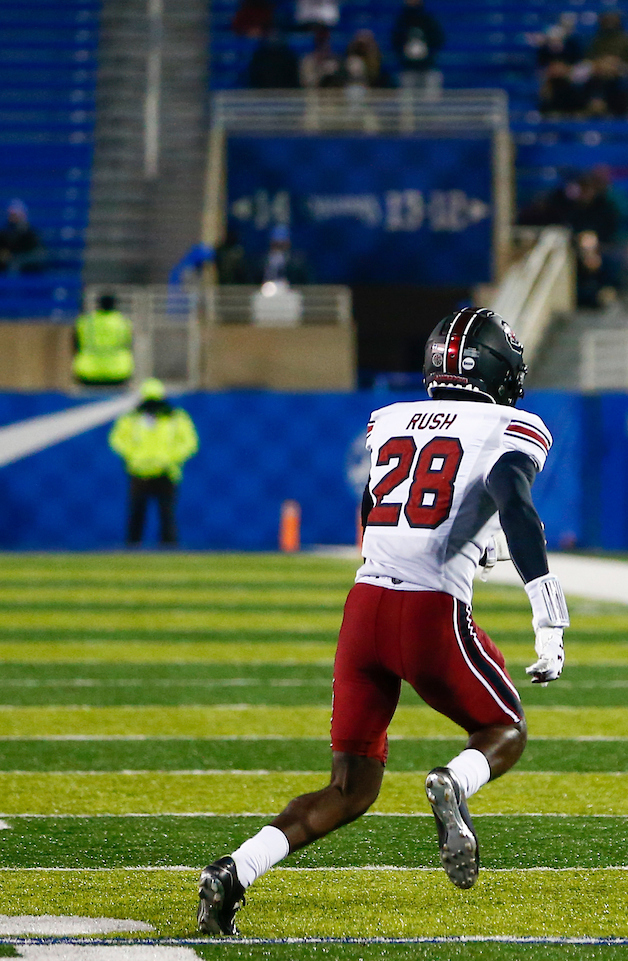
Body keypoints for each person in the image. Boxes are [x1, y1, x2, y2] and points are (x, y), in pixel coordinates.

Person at [197, 308, 570, 935]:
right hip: (428, 614)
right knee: (504, 728)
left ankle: (234, 871)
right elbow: (514, 503)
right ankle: (452, 781)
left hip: (364, 609)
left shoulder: (389, 421)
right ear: (498, 369)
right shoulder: (513, 425)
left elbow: (375, 516)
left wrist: (471, 545)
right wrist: (548, 614)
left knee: (350, 788)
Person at [109, 378, 199, 547]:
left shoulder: (176, 417)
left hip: (167, 472)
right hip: (139, 471)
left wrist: (169, 458)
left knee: (166, 515)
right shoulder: (131, 418)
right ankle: (132, 550)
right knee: (136, 514)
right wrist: (135, 457)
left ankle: (169, 550)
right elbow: (117, 440)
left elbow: (189, 442)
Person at [73, 293, 134, 386]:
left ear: (98, 305)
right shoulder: (123, 322)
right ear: (115, 305)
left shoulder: (85, 322)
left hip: (88, 372)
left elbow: (75, 345)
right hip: (119, 372)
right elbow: (129, 345)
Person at [391, 0, 443, 90]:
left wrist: (428, 54)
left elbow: (438, 39)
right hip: (408, 68)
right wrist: (404, 53)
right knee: (407, 92)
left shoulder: (428, 20)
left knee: (433, 80)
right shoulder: (402, 21)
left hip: (427, 67)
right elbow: (395, 42)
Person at [0, 199, 45, 275]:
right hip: (8, 262)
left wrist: (16, 257)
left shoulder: (31, 233)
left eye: (15, 215)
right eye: (11, 215)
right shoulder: (4, 232)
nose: (13, 218)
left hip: (26, 263)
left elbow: (37, 252)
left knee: (15, 264)